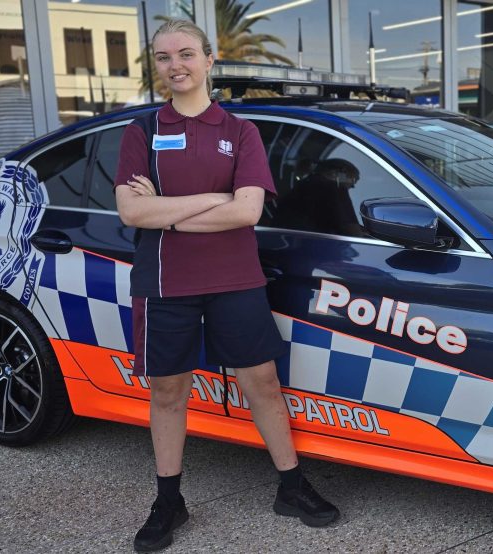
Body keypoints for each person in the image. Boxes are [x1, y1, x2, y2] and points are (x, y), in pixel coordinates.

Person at [113, 19, 338, 552]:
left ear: (209, 61)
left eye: (186, 54)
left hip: (235, 279)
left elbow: (247, 212)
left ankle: (291, 485)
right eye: (164, 57)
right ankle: (169, 501)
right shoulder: (140, 131)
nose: (176, 66)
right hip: (166, 281)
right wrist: (212, 200)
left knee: (261, 383)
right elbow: (129, 209)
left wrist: (163, 213)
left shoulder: (240, 132)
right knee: (168, 391)